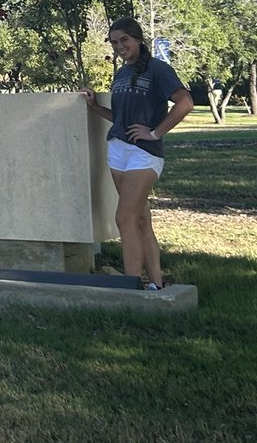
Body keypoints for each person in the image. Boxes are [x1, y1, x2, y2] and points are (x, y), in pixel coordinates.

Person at [80, 17, 193, 290]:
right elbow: (120, 118)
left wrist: (155, 133)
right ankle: (156, 283)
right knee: (140, 220)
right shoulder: (121, 73)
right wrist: (95, 107)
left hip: (144, 153)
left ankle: (132, 287)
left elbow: (185, 103)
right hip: (118, 150)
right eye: (114, 41)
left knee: (124, 218)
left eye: (124, 40)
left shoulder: (158, 69)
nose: (119, 46)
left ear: (138, 39)